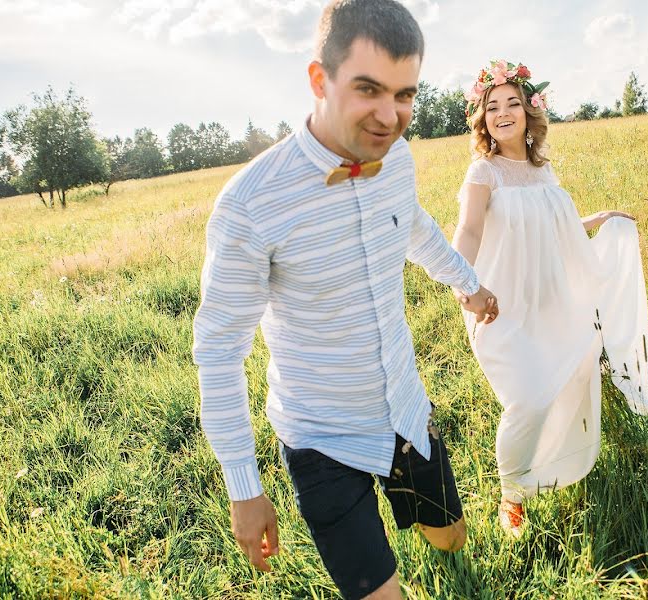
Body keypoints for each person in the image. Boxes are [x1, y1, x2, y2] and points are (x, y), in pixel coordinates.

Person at [191, 2, 499, 598]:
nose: (391, 116)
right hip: (321, 440)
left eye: (405, 94)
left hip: (407, 411)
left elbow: (413, 226)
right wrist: (243, 488)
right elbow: (220, 351)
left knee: (452, 539)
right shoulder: (250, 204)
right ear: (319, 80)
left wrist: (467, 281)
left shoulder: (398, 158)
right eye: (368, 90)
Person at [451, 60, 648, 538]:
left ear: (529, 112)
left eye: (512, 104)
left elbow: (551, 226)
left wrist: (596, 219)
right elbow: (469, 229)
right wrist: (463, 282)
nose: (502, 113)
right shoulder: (484, 172)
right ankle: (511, 495)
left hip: (549, 300)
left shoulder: (542, 171)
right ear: (483, 118)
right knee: (526, 398)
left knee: (573, 370)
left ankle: (550, 466)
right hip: (500, 304)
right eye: (492, 106)